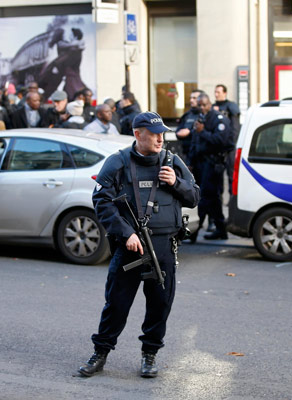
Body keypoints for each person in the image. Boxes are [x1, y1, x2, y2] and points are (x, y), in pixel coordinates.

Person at [79, 111, 200, 378]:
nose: (160, 139)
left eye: (162, 134)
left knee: (160, 304)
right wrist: (125, 233)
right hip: (130, 247)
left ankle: (150, 355)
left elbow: (194, 197)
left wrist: (176, 183)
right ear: (138, 134)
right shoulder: (118, 162)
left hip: (164, 246)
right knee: (117, 304)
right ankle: (100, 354)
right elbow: (101, 201)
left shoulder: (172, 161)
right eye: (154, 134)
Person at [189, 94, 233, 241]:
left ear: (210, 104)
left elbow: (220, 141)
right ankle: (221, 228)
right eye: (200, 105)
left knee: (205, 197)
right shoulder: (200, 119)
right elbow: (194, 142)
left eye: (204, 105)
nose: (202, 108)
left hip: (213, 164)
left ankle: (194, 231)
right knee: (212, 199)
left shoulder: (219, 119)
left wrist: (203, 132)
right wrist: (190, 161)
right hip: (200, 164)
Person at [213, 84, 241, 195]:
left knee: (231, 175)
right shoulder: (213, 107)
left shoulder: (231, 106)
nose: (216, 94)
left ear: (224, 93)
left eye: (218, 92)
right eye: (215, 92)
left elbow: (235, 128)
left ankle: (232, 201)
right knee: (217, 178)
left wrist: (231, 144)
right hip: (217, 148)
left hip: (229, 148)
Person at [175, 89, 204, 162]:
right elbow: (178, 131)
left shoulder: (205, 114)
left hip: (201, 155)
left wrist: (189, 132)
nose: (191, 100)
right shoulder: (187, 115)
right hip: (187, 154)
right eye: (191, 98)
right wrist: (179, 133)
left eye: (194, 98)